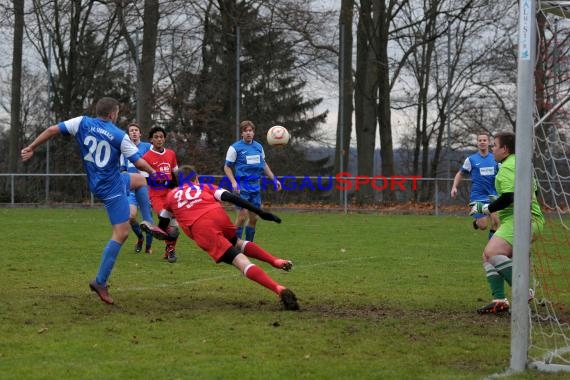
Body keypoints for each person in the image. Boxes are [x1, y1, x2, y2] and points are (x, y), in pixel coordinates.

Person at [21, 97, 156, 305]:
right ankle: (100, 281)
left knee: (138, 181)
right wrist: (155, 172)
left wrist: (31, 147)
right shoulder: (120, 136)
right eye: (117, 113)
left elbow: (51, 130)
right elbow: (139, 162)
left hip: (101, 181)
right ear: (112, 114)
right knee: (122, 233)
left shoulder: (82, 122)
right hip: (110, 187)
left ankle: (148, 221)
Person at [141, 165, 299, 311]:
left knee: (241, 262)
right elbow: (232, 198)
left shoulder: (170, 196)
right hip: (218, 215)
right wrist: (260, 212)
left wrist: (164, 233)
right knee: (237, 242)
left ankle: (279, 289)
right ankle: (275, 261)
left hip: (202, 228)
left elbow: (162, 226)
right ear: (195, 179)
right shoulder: (204, 186)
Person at [469, 131, 545, 314]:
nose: (492, 149)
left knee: (492, 252)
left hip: (523, 220)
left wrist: (486, 209)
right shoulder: (516, 163)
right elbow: (531, 193)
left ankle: (522, 293)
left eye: (495, 145)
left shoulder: (510, 166)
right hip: (519, 219)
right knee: (487, 256)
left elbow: (510, 196)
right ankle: (499, 300)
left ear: (504, 149)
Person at [224, 120, 282, 242]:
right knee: (242, 217)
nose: (248, 133)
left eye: (250, 131)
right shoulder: (235, 148)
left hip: (255, 187)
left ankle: (249, 246)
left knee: (254, 218)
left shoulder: (258, 147)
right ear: (242, 133)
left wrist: (274, 179)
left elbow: (264, 164)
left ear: (253, 132)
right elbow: (227, 167)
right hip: (241, 187)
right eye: (246, 131)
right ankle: (235, 244)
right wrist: (233, 182)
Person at [451, 132, 500, 239]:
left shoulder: (495, 158)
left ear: (488, 142)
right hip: (478, 196)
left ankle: (492, 248)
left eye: (484, 140)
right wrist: (454, 187)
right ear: (477, 143)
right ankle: (477, 221)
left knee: (496, 222)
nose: (482, 142)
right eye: (480, 140)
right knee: (483, 226)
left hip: (493, 195)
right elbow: (460, 173)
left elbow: (503, 174)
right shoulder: (471, 160)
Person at [142, 126, 179, 263]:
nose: (159, 139)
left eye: (161, 137)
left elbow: (175, 173)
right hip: (156, 196)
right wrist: (163, 183)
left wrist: (176, 187)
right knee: (167, 221)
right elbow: (146, 179)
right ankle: (170, 250)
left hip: (171, 194)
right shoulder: (146, 157)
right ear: (151, 140)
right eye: (156, 137)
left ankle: (169, 250)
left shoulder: (171, 154)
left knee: (175, 225)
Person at [120, 123, 154, 254]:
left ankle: (148, 247)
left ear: (140, 134)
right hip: (132, 189)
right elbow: (122, 170)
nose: (134, 132)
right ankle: (140, 237)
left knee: (148, 219)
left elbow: (155, 164)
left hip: (146, 188)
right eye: (131, 131)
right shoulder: (124, 150)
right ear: (129, 135)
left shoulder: (148, 147)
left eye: (136, 130)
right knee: (130, 216)